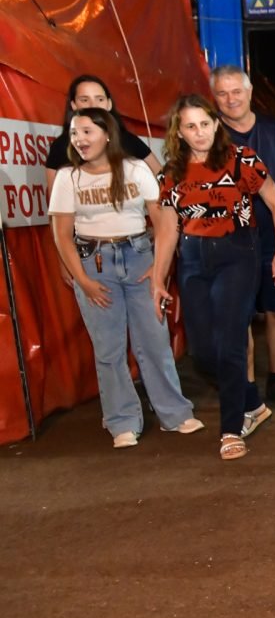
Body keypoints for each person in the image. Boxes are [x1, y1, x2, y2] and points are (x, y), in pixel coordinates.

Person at [47, 108, 203, 449]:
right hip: (93, 263)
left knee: (154, 339)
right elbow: (61, 235)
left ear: (107, 134)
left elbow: (164, 220)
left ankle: (174, 413)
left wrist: (158, 267)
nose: (79, 139)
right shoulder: (67, 177)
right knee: (108, 347)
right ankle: (122, 421)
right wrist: (83, 280)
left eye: (86, 131)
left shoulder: (134, 169)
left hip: (138, 256)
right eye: (74, 133)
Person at [151, 95, 275, 461]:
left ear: (216, 125)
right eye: (190, 126)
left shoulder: (242, 159)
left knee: (230, 342)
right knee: (202, 352)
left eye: (205, 124)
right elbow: (167, 231)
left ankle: (231, 429)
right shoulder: (171, 173)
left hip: (237, 254)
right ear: (179, 133)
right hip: (192, 259)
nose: (199, 132)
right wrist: (157, 279)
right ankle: (252, 403)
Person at [211, 66, 275, 406]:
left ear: (250, 92)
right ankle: (246, 387)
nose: (230, 99)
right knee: (239, 316)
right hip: (231, 242)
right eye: (222, 93)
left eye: (236, 91)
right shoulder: (210, 136)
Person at [45, 76, 162, 286]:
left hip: (137, 249)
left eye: (99, 99)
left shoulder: (131, 145)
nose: (93, 105)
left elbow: (164, 183)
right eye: (84, 100)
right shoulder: (62, 149)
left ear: (109, 104)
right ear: (73, 105)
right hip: (88, 254)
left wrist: (161, 236)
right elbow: (56, 213)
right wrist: (64, 260)